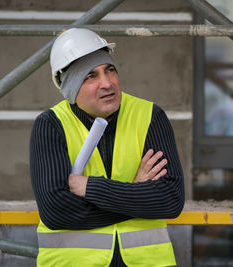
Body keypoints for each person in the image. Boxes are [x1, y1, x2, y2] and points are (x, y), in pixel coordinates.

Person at [29, 28, 185, 267]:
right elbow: (55, 212)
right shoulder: (51, 125)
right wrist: (135, 193)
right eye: (90, 76)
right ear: (69, 87)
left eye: (110, 70)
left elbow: (170, 200)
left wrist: (91, 187)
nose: (107, 83)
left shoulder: (150, 116)